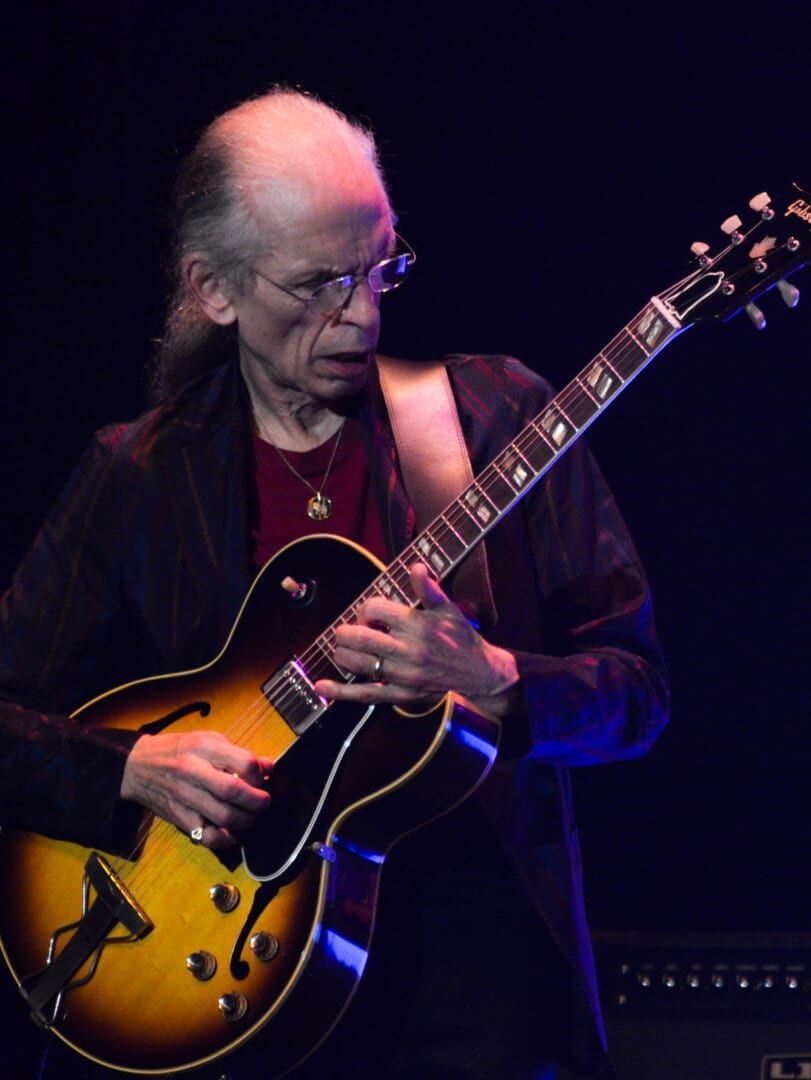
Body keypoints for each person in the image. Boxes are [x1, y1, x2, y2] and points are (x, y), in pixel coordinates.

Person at [0, 88, 669, 1078]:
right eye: (319, 283)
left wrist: (497, 679)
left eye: (379, 267)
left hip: (472, 977)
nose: (361, 312)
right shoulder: (139, 474)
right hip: (219, 972)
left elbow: (638, 696)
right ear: (216, 290)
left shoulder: (491, 418)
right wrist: (130, 768)